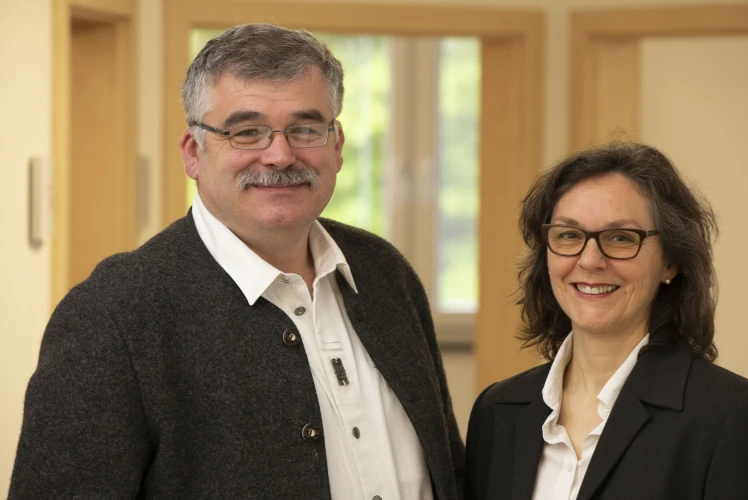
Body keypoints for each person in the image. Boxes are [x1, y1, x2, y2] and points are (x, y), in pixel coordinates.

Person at [10, 24, 464, 500]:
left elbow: (450, 470)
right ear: (193, 152)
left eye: (305, 128)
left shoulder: (386, 273)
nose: (279, 154)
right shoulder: (115, 315)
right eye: (247, 132)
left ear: (337, 145)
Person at [463, 142, 748, 500]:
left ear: (670, 261)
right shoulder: (497, 412)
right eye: (568, 235)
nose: (590, 260)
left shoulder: (734, 417)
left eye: (621, 238)